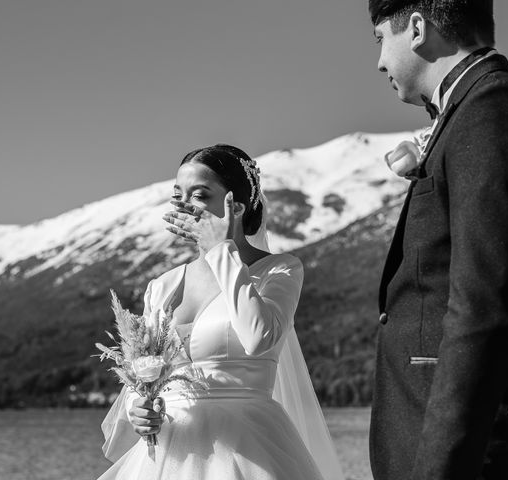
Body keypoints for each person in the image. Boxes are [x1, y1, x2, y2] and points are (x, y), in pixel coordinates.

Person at [369, 1, 508, 479]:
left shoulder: (494, 110)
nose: (378, 61)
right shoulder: (475, 109)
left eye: (380, 38)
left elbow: (483, 312)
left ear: (417, 27)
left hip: (479, 456)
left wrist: (440, 469)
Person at [98, 144, 344, 480]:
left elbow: (260, 337)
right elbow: (143, 373)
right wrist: (138, 410)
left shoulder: (280, 270)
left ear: (236, 207)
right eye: (177, 195)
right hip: (168, 453)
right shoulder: (162, 285)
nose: (184, 205)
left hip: (248, 449)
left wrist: (221, 250)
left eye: (199, 194)